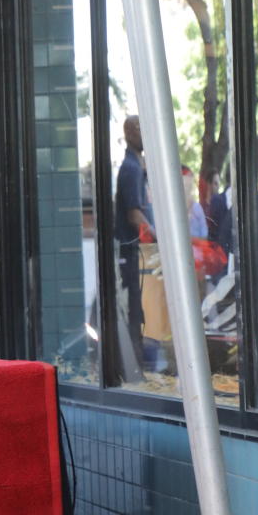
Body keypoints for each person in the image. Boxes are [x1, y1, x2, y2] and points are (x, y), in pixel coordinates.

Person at [114, 116, 152, 371]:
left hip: (133, 248)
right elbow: (133, 213)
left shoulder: (139, 166)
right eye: (140, 128)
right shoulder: (131, 168)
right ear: (129, 133)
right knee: (131, 307)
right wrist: (159, 235)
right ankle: (133, 364)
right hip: (128, 248)